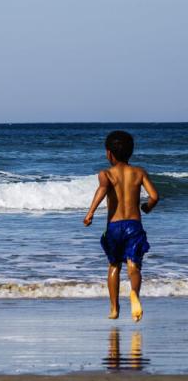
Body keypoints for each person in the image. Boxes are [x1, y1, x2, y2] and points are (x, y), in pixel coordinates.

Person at [84, 131, 158, 322]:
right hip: (134, 225)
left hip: (114, 227)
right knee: (134, 266)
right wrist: (147, 208)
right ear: (130, 153)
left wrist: (90, 213)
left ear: (109, 153)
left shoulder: (106, 174)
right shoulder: (139, 172)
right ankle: (134, 293)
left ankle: (114, 308)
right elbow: (154, 196)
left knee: (114, 265)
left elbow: (101, 191)